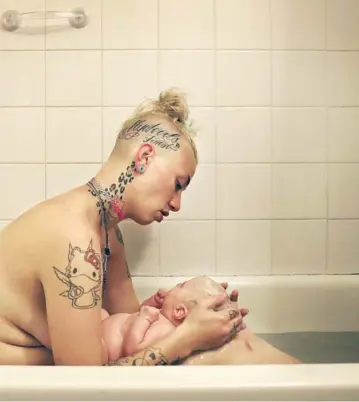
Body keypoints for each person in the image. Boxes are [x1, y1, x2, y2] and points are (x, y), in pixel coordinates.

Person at [0, 89, 248, 366]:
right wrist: (186, 338)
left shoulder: (107, 234)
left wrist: (202, 315)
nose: (177, 204)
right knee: (199, 356)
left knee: (221, 347)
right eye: (178, 185)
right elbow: (86, 385)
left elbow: (128, 324)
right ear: (143, 158)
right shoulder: (75, 238)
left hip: (39, 374)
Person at [101, 276, 300, 365]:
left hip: (103, 340)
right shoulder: (161, 323)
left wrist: (144, 316)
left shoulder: (161, 330)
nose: (171, 288)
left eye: (179, 285)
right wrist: (150, 307)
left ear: (179, 311)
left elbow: (134, 348)